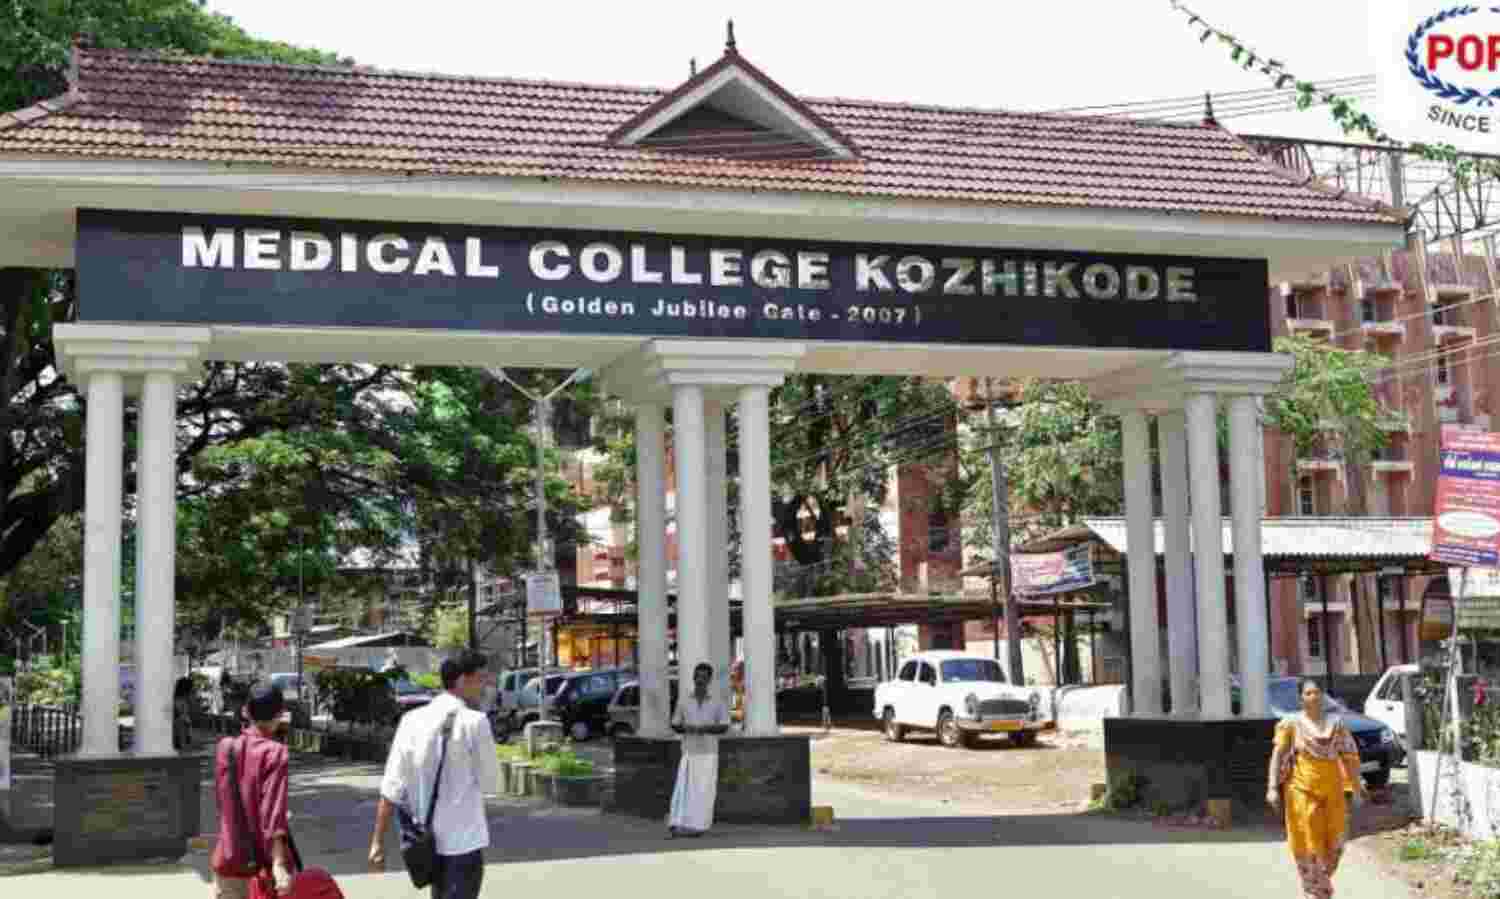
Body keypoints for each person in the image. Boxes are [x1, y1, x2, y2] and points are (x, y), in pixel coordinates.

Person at [370, 650, 500, 899]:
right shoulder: (475, 722)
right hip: (464, 846)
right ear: (462, 680)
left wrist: (377, 842)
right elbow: (492, 783)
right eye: (481, 679)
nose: (485, 686)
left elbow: (391, 787)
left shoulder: (411, 720)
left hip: (425, 846)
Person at [1267, 679, 1366, 899]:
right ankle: (1316, 891)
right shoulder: (1291, 724)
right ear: (1301, 698)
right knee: (1309, 842)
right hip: (1301, 792)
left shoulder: (1337, 725)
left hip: (1333, 792)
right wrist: (1272, 787)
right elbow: (1278, 755)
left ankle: (1319, 886)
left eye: (1317, 692)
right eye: (1308, 693)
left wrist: (1357, 788)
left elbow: (1350, 758)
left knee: (1336, 844)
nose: (1314, 697)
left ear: (1323, 696)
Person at [213, 680, 294, 898]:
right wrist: (279, 864)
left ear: (246, 711)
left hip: (228, 860)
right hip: (262, 869)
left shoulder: (225, 748)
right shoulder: (275, 753)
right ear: (280, 715)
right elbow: (273, 812)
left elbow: (223, 803)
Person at [667, 662, 730, 838]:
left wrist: (705, 729)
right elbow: (675, 724)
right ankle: (678, 822)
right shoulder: (684, 700)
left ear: (709, 679)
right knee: (684, 789)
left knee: (704, 791)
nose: (699, 680)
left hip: (709, 752)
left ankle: (698, 826)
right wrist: (686, 728)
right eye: (697, 676)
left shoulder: (718, 701)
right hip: (689, 751)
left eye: (703, 677)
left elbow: (724, 726)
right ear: (693, 677)